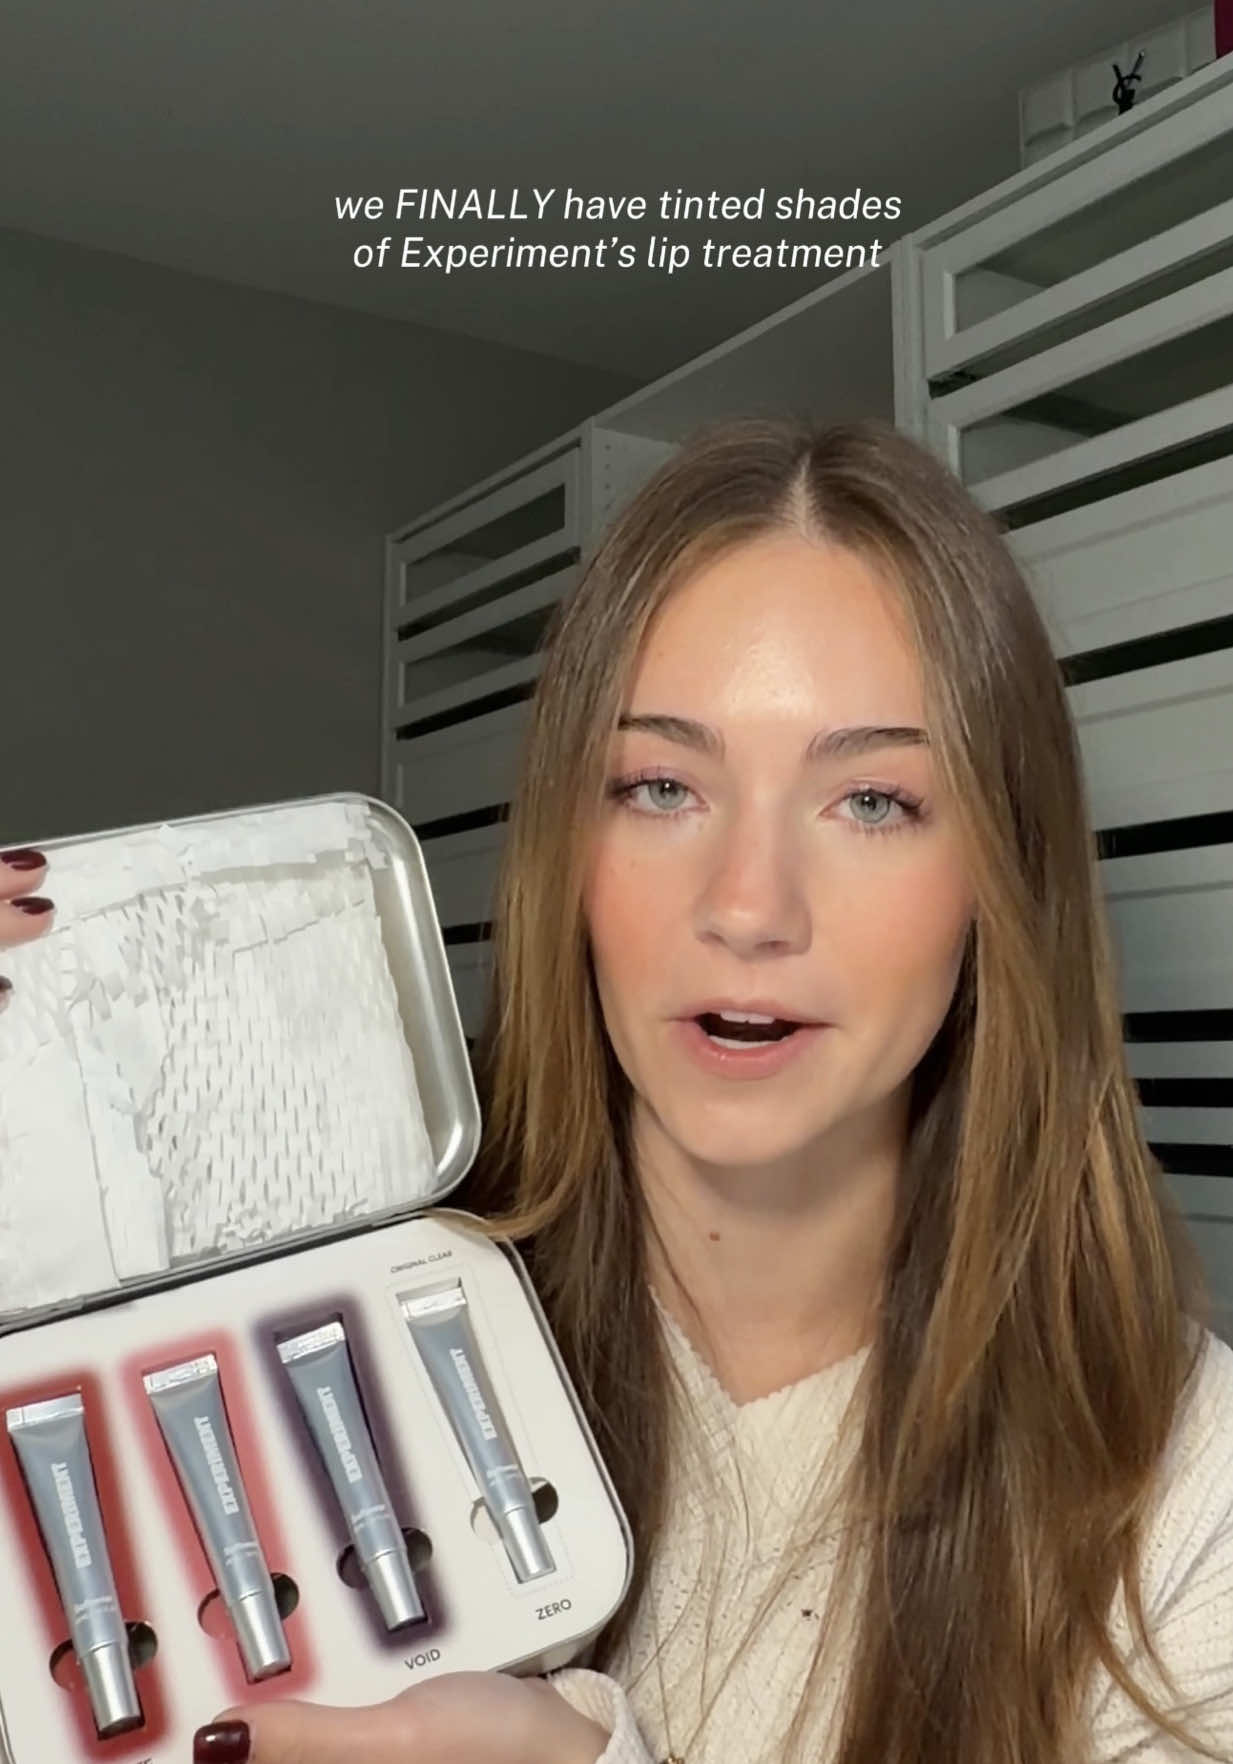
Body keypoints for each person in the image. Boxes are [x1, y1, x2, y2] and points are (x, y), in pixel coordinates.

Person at [4, 420, 1231, 1764]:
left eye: (873, 801)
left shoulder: (1188, 1479)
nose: (747, 906)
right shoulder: (332, 1318)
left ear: (1003, 878)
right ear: (569, 850)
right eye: (659, 787)